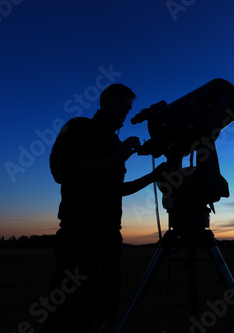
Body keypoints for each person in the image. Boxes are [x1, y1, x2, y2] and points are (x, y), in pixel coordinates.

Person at [44, 84, 165, 333]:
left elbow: (117, 189)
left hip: (110, 236)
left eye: (128, 107)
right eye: (121, 104)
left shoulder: (114, 142)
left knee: (104, 307)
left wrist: (152, 176)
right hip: (79, 235)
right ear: (104, 102)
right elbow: (61, 171)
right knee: (70, 309)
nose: (125, 111)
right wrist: (117, 156)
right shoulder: (79, 127)